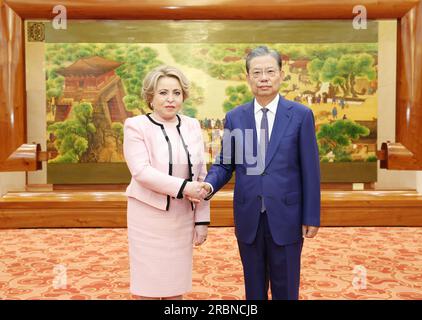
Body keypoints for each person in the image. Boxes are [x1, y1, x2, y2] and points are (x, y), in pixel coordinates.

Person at [201, 46, 321, 300]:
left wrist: (311, 215)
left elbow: (311, 170)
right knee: (253, 290)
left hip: (287, 215)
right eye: (257, 72)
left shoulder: (300, 116)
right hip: (249, 216)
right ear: (248, 78)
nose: (263, 78)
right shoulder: (236, 117)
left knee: (286, 289)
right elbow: (225, 163)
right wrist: (208, 186)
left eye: (269, 71)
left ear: (281, 75)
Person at [123, 65, 210, 300]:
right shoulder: (136, 125)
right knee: (148, 288)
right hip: (148, 218)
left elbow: (201, 176)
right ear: (150, 97)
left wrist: (201, 220)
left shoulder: (192, 125)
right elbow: (141, 171)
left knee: (175, 287)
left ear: (184, 96)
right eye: (163, 93)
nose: (170, 99)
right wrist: (184, 188)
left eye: (176, 93)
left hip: (182, 219)